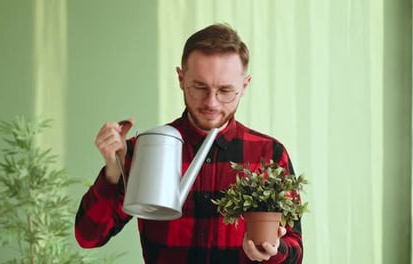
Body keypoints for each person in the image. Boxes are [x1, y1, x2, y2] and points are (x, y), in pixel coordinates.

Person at [75, 23, 303, 264]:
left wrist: (275, 251)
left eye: (225, 90)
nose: (212, 103)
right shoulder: (145, 150)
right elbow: (89, 237)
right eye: (199, 87)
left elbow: (295, 250)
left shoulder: (268, 154)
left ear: (244, 86)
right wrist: (113, 172)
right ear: (181, 79)